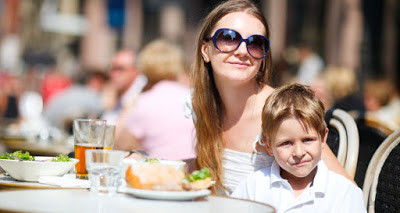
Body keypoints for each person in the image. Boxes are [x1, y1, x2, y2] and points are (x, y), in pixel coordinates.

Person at [187, 0, 352, 195]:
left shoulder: (283, 111)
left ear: (263, 57)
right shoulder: (198, 104)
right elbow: (203, 176)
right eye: (228, 38)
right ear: (205, 50)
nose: (241, 51)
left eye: (255, 43)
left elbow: (348, 193)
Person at [231, 83, 366, 212]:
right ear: (268, 146)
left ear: (323, 138)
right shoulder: (254, 187)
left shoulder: (344, 192)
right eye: (286, 143)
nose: (298, 152)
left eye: (307, 140)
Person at [114, 39, 195, 161]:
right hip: (196, 173)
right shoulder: (192, 97)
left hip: (159, 173)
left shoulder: (143, 102)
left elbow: (120, 145)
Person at [101, 49, 147, 125]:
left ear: (136, 70)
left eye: (120, 69)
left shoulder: (142, 94)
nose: (112, 73)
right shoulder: (116, 93)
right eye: (112, 68)